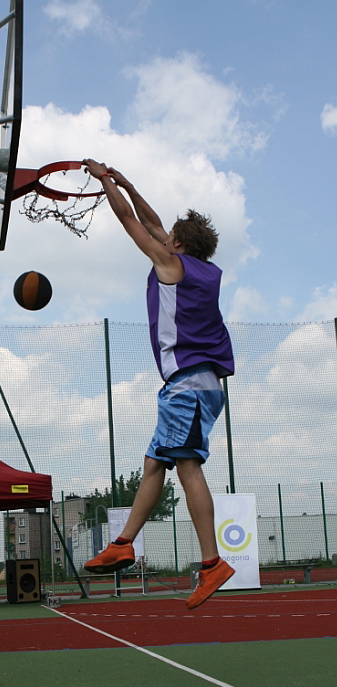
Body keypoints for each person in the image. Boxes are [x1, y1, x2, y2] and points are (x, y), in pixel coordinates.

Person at [82, 159, 235, 609]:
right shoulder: (203, 270)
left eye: (169, 236)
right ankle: (123, 543)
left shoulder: (171, 264)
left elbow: (131, 222)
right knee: (154, 464)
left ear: (178, 244)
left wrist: (105, 182)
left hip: (189, 385)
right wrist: (128, 183)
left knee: (187, 467)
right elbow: (150, 221)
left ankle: (212, 564)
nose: (162, 237)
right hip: (194, 385)